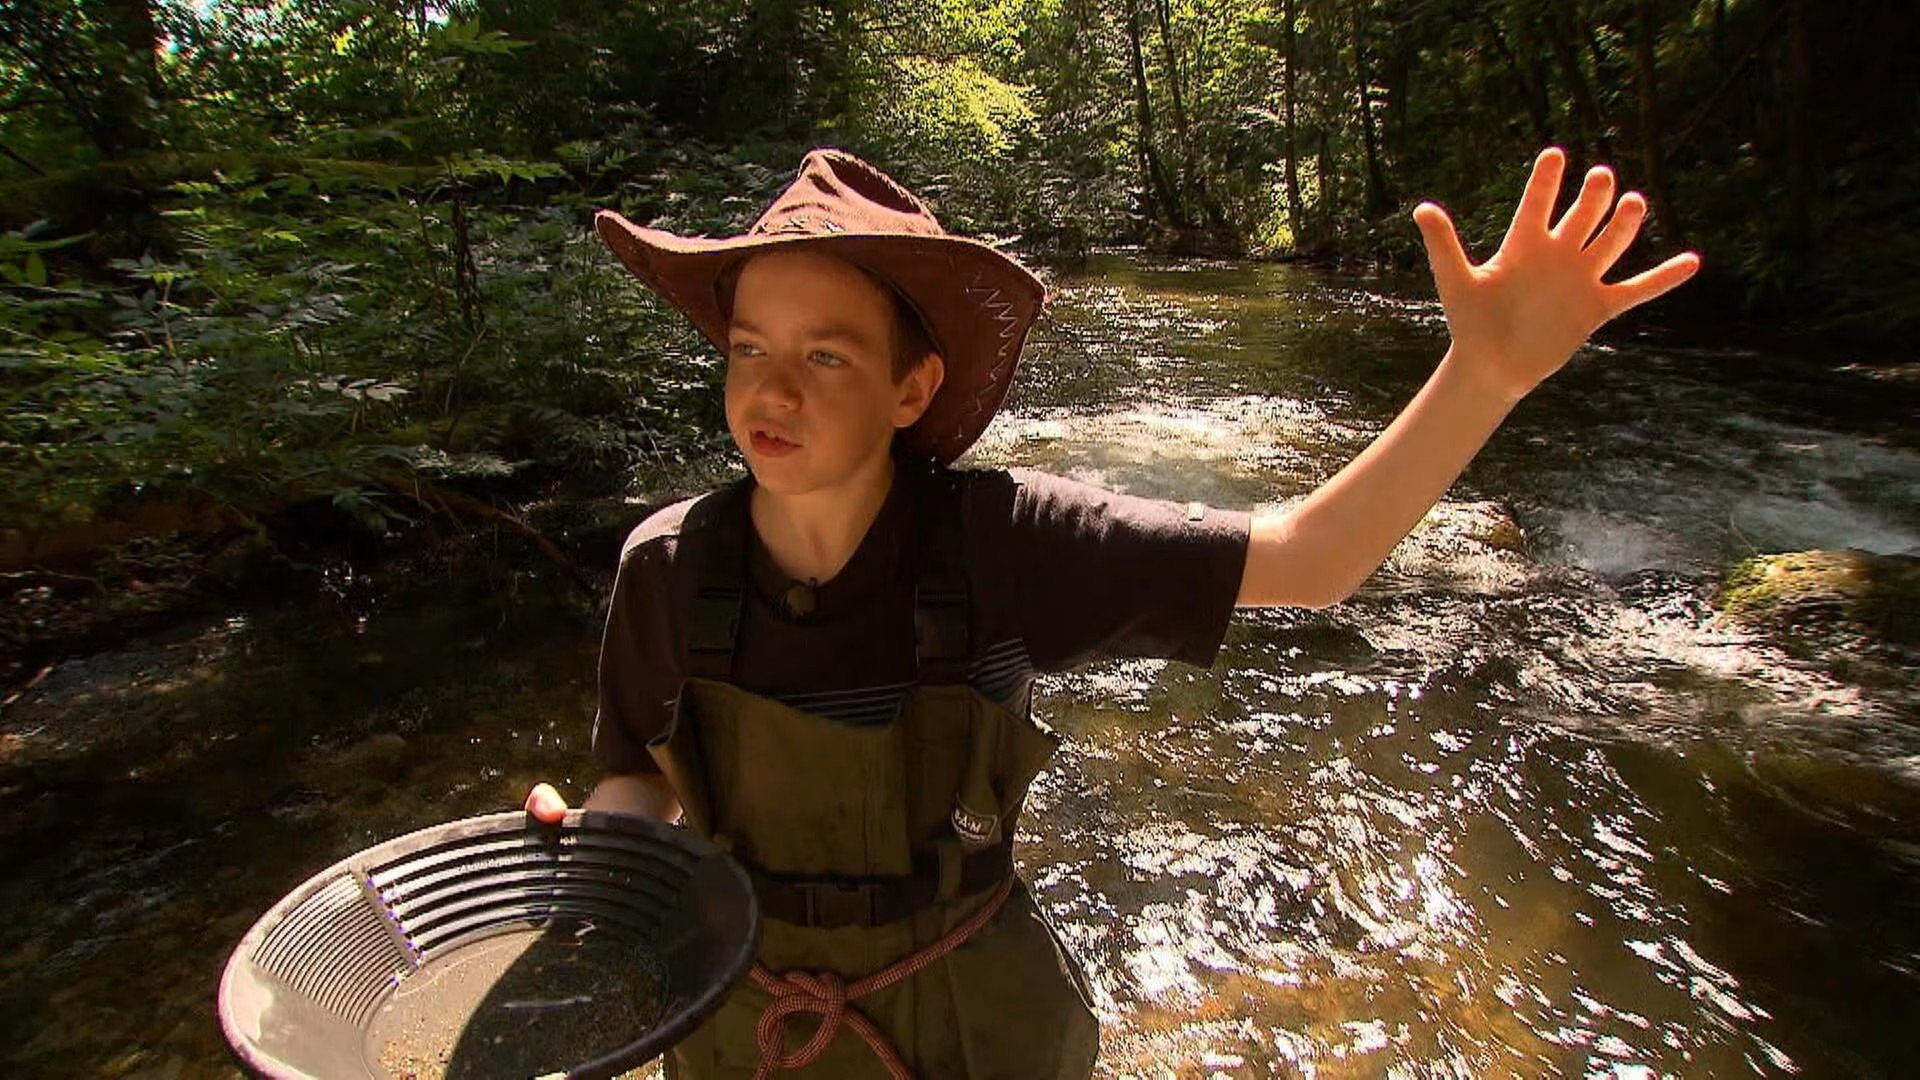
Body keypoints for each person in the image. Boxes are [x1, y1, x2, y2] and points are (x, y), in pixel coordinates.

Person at [525, 146, 1699, 1078]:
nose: (772, 390)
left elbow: (1314, 558)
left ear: (911, 388)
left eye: (826, 357)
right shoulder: (667, 567)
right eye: (748, 349)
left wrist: (1482, 375)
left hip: (976, 1033)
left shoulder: (1007, 542)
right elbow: (637, 778)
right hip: (742, 1031)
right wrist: (598, 869)